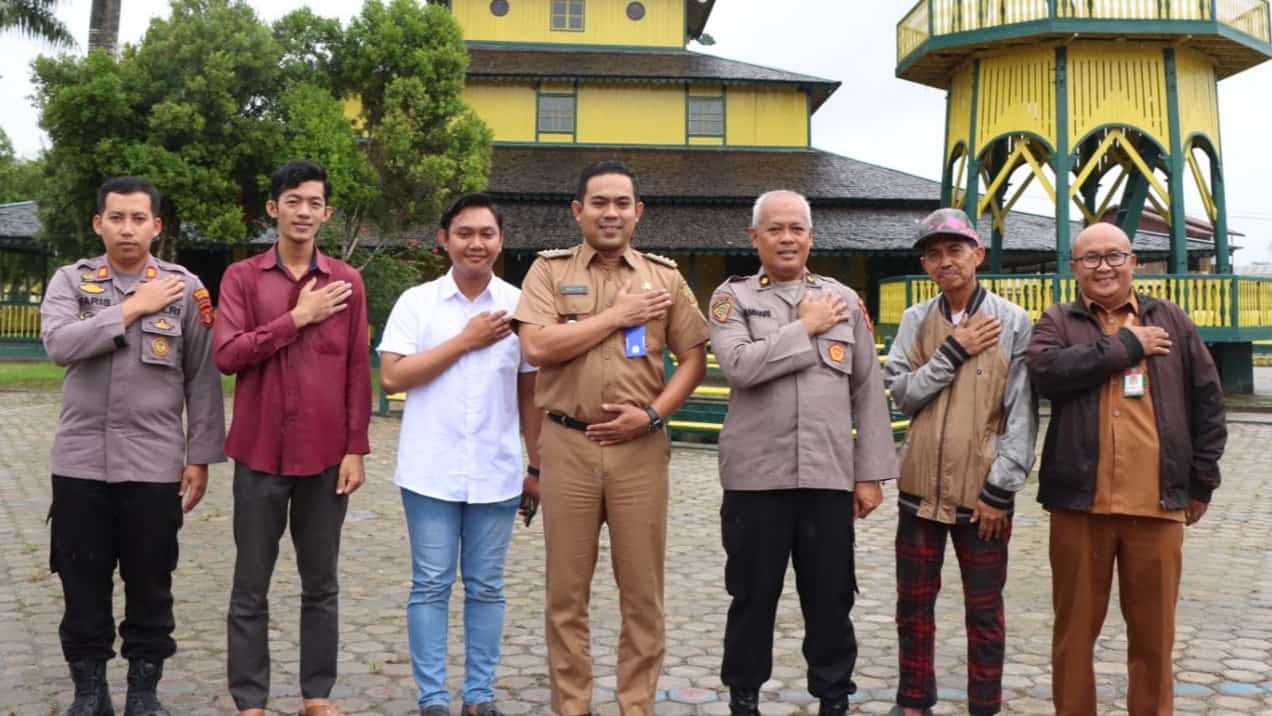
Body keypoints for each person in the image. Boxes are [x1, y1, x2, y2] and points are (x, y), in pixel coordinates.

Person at [513, 160, 708, 716]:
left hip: (639, 450)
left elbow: (693, 358)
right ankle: (572, 706)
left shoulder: (664, 279)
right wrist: (617, 314)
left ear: (638, 212)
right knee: (565, 596)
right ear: (578, 211)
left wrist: (651, 414)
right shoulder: (547, 273)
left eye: (622, 203)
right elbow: (538, 348)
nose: (611, 213)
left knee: (642, 595)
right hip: (567, 446)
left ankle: (636, 706)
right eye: (599, 202)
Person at [41, 176, 226, 716]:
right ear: (98, 223)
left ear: (157, 226)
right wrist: (129, 308)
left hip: (153, 464)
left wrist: (200, 457)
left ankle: (144, 692)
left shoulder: (186, 288)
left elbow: (203, 379)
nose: (127, 228)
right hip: (80, 462)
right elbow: (59, 345)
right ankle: (89, 691)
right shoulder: (71, 283)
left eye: (138, 218)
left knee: (151, 579)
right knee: (81, 577)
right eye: (116, 217)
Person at [708, 190, 898, 716]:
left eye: (797, 228)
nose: (787, 238)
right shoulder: (733, 299)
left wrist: (871, 475)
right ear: (755, 238)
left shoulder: (842, 299)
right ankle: (744, 695)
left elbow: (867, 389)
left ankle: (834, 695)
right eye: (775, 229)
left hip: (827, 477)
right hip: (756, 479)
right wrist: (805, 328)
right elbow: (740, 366)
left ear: (811, 237)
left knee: (832, 597)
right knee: (751, 596)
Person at [1026, 223, 1227, 715]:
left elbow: (1208, 404)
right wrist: (1127, 346)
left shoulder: (1173, 321)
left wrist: (1201, 481)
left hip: (1156, 507)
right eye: (1090, 259)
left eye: (1114, 256)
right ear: (1074, 269)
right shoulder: (1058, 320)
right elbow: (1045, 374)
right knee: (1073, 636)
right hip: (1079, 507)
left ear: (1133, 261)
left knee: (1154, 638)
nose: (1104, 267)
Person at [213, 160, 371, 716]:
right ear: (273, 208)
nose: (304, 212)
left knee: (321, 584)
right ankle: (250, 700)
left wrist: (355, 449)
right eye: (293, 201)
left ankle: (316, 694)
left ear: (327, 213)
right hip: (258, 453)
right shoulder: (242, 279)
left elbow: (356, 371)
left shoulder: (347, 282)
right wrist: (296, 318)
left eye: (314, 203)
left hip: (327, 457)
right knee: (250, 584)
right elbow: (228, 356)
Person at [377, 193, 542, 716]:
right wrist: (466, 341)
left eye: (487, 233)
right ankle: (432, 699)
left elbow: (530, 394)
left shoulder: (522, 306)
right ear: (444, 239)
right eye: (465, 233)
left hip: (496, 471)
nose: (476, 243)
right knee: (430, 583)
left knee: (487, 587)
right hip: (430, 470)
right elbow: (394, 376)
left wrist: (536, 466)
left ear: (501, 240)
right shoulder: (417, 302)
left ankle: (479, 696)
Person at [881, 208, 1037, 716]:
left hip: (982, 493)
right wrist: (950, 352)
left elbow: (1022, 413)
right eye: (933, 253)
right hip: (919, 488)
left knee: (985, 611)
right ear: (926, 263)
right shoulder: (915, 321)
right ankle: (913, 702)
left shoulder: (1013, 322)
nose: (945, 261)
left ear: (978, 254)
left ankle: (984, 705)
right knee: (913, 608)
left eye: (955, 250)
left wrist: (1002, 490)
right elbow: (901, 393)